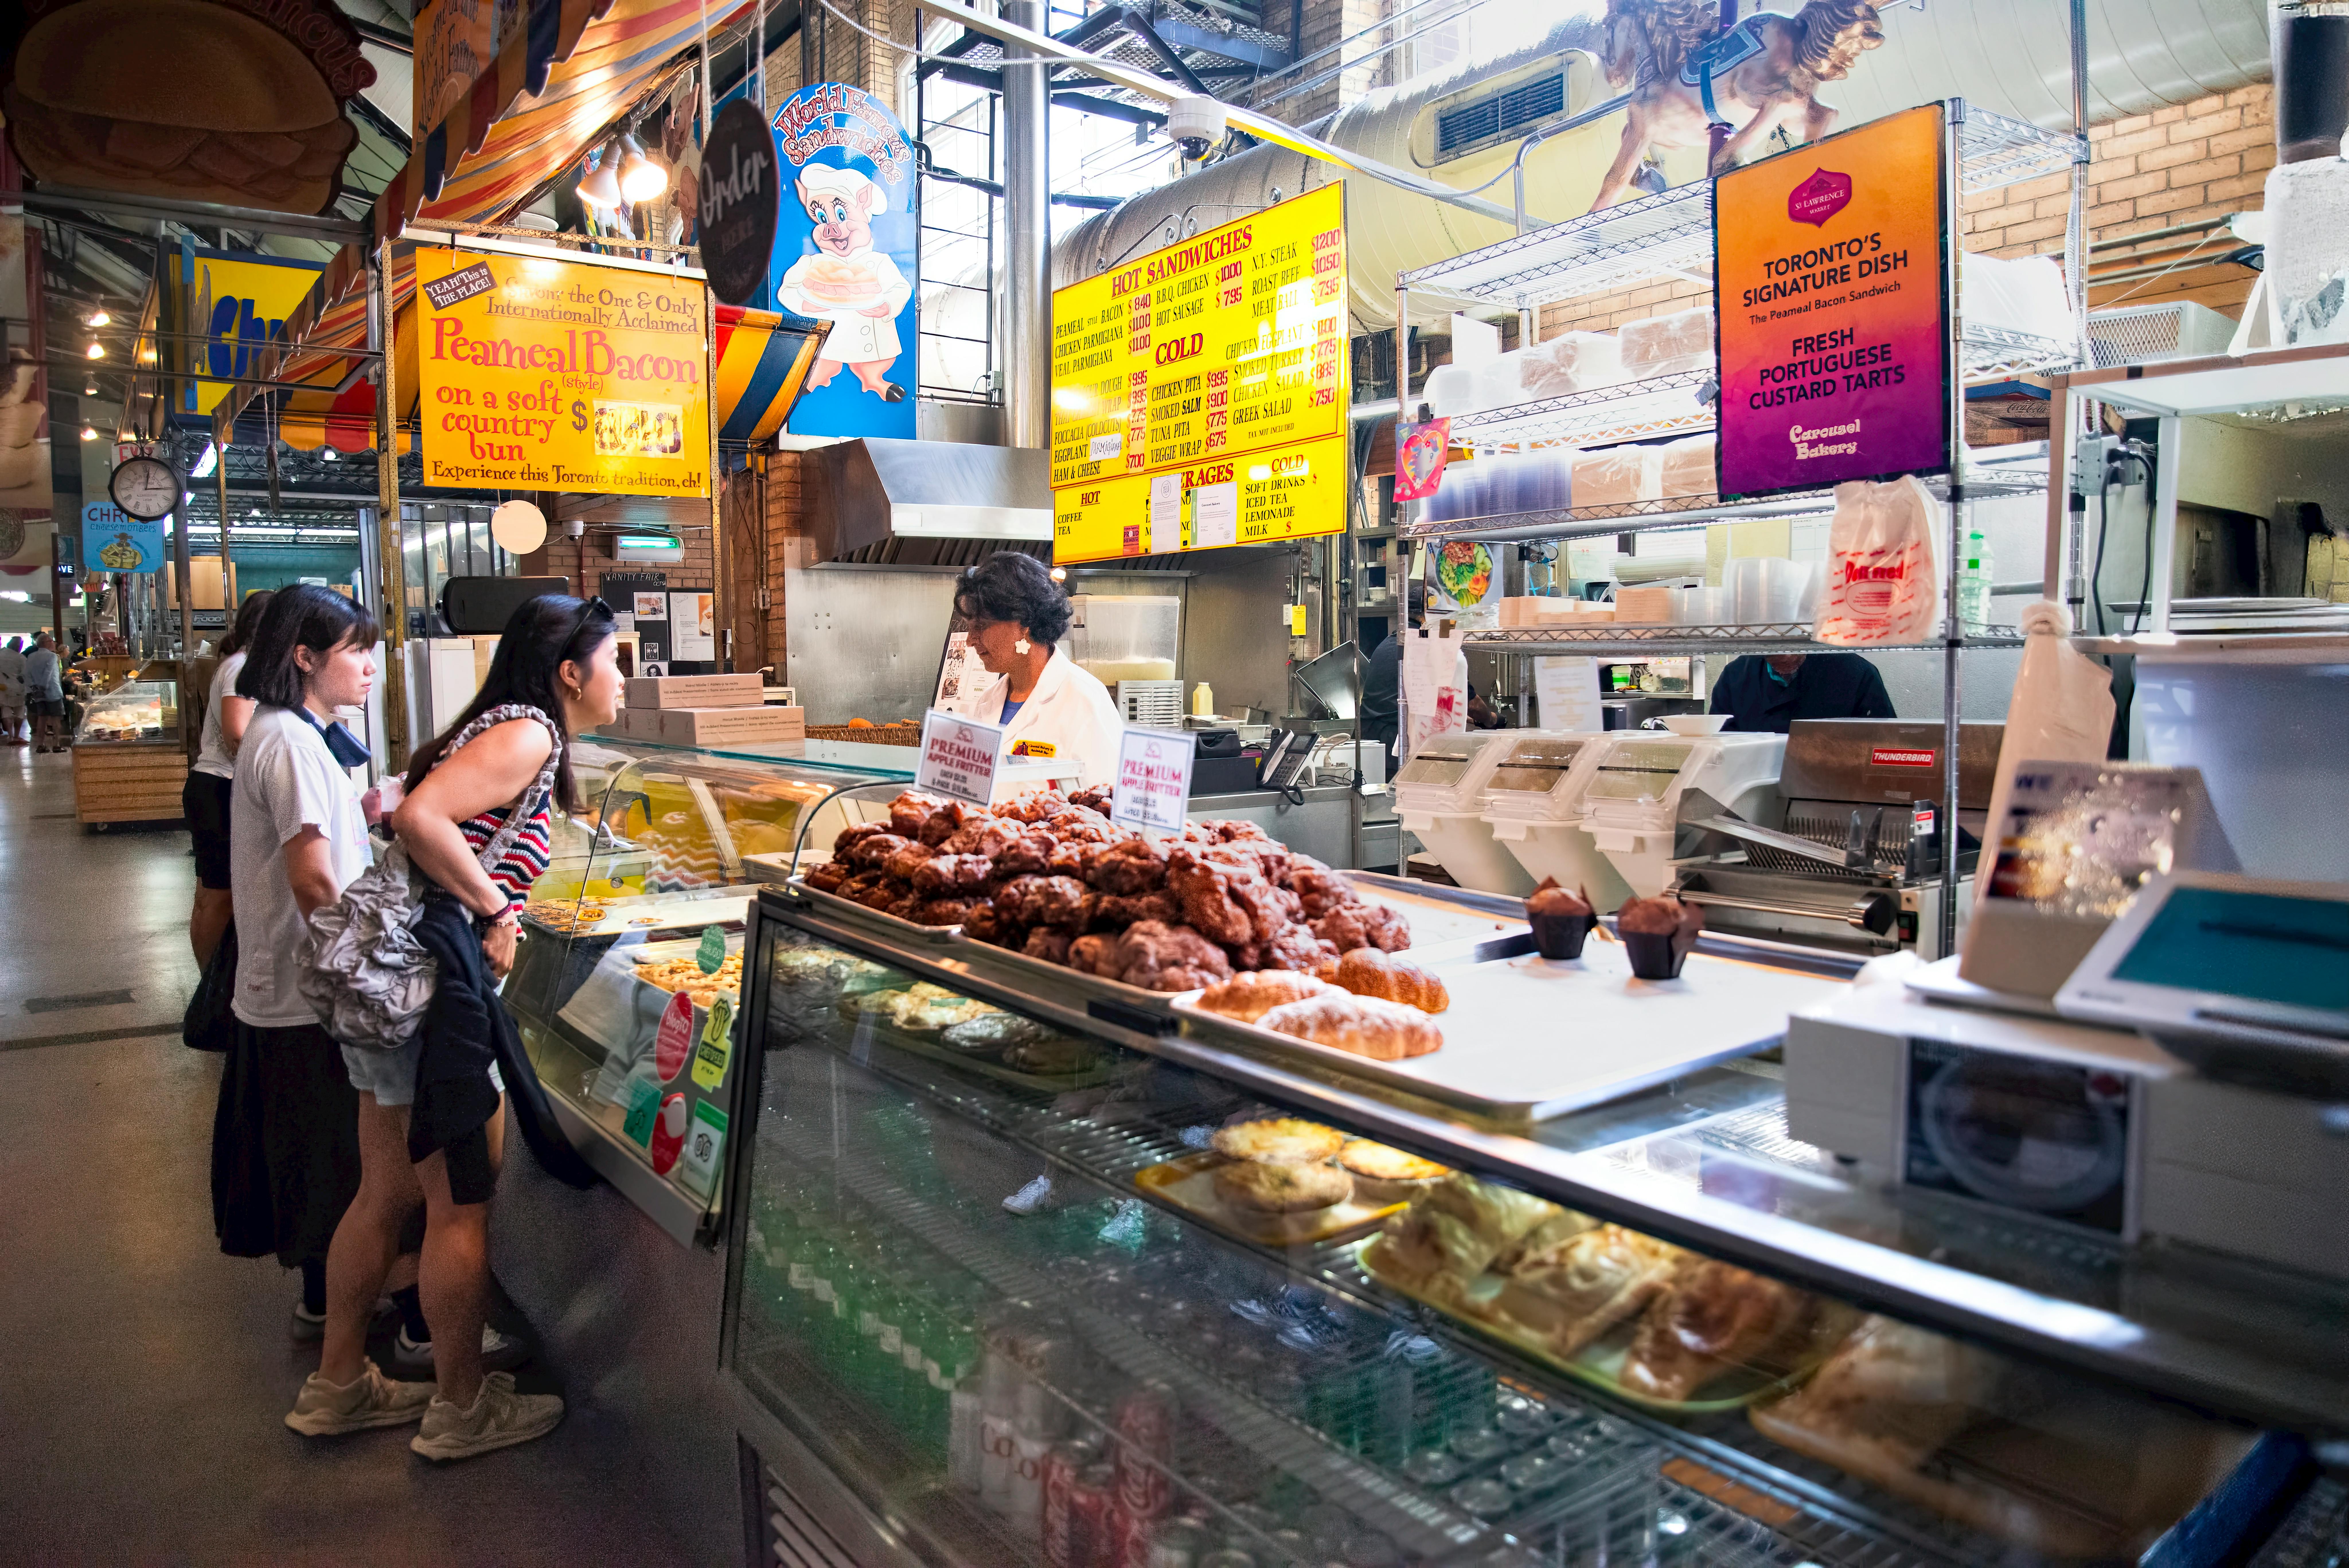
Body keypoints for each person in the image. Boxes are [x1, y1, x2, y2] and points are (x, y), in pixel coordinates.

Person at [301, 593, 621, 1462]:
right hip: (428, 994)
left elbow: (422, 807)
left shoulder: (496, 724)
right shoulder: (531, 733)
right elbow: (420, 817)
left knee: (383, 1191)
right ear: (569, 671)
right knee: (458, 1205)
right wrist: (495, 908)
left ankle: (337, 1384)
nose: (622, 675)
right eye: (613, 658)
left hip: (385, 985)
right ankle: (459, 1406)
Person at [208, 585, 432, 1435]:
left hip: (287, 989)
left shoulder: (283, 733)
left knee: (320, 1163)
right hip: (309, 996)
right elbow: (312, 878)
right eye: (357, 651)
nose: (373, 667)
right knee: (364, 1173)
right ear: (305, 656)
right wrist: (373, 972)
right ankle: (406, 1329)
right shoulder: (292, 743)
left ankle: (324, 1305)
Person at [953, 553, 1125, 790]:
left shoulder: (1085, 700)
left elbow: (1105, 806)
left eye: (981, 626)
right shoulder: (988, 701)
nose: (971, 641)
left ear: (1024, 623)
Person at [185, 590, 273, 967]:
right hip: (219, 789)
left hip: (226, 788)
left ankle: (220, 981)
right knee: (218, 896)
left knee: (225, 893)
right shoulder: (241, 667)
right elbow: (239, 734)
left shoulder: (251, 665)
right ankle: (209, 984)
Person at [1359, 582, 1501, 759]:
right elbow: (1472, 704)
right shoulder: (1428, 646)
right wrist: (1492, 720)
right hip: (1400, 744)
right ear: (1428, 616)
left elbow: (1418, 700)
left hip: (1371, 744)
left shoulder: (1387, 645)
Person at [1709, 651, 1895, 733]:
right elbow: (1719, 750)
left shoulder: (1856, 673)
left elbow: (1886, 747)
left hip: (1835, 795)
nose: (1785, 654)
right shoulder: (1735, 677)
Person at [24, 632, 65, 752]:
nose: (54, 643)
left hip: (38, 693)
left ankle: (40, 745)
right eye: (52, 641)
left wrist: (34, 688)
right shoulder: (52, 656)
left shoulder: (31, 656)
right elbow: (49, 673)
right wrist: (43, 687)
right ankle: (57, 745)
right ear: (46, 643)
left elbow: (27, 674)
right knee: (56, 719)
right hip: (53, 692)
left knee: (41, 719)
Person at [0, 635, 26, 744]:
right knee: (19, 712)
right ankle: (17, 735)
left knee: (6, 710)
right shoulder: (21, 658)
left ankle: (10, 735)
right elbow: (25, 674)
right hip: (18, 688)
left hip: (2, 687)